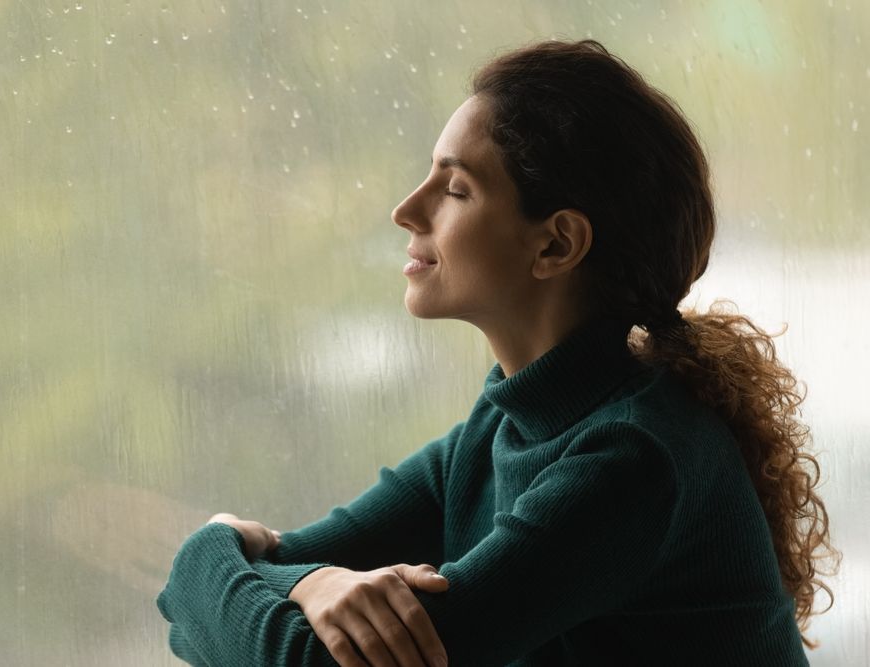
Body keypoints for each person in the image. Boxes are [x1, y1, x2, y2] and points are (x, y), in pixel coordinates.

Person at [156, 38, 839, 666]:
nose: (406, 209)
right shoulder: (499, 428)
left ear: (555, 244)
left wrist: (221, 547)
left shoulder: (636, 458)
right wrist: (311, 577)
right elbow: (189, 605)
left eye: (455, 188)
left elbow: (310, 656)